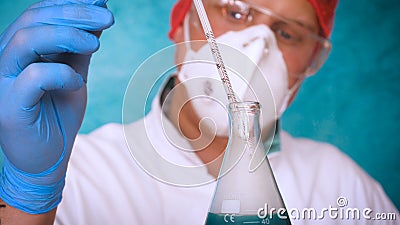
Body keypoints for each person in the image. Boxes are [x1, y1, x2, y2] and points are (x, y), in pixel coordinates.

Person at [0, 0, 398, 224]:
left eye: (287, 33)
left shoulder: (343, 187)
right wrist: (30, 197)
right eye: (235, 11)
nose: (257, 47)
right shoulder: (77, 173)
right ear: (181, 25)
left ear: (311, 62)